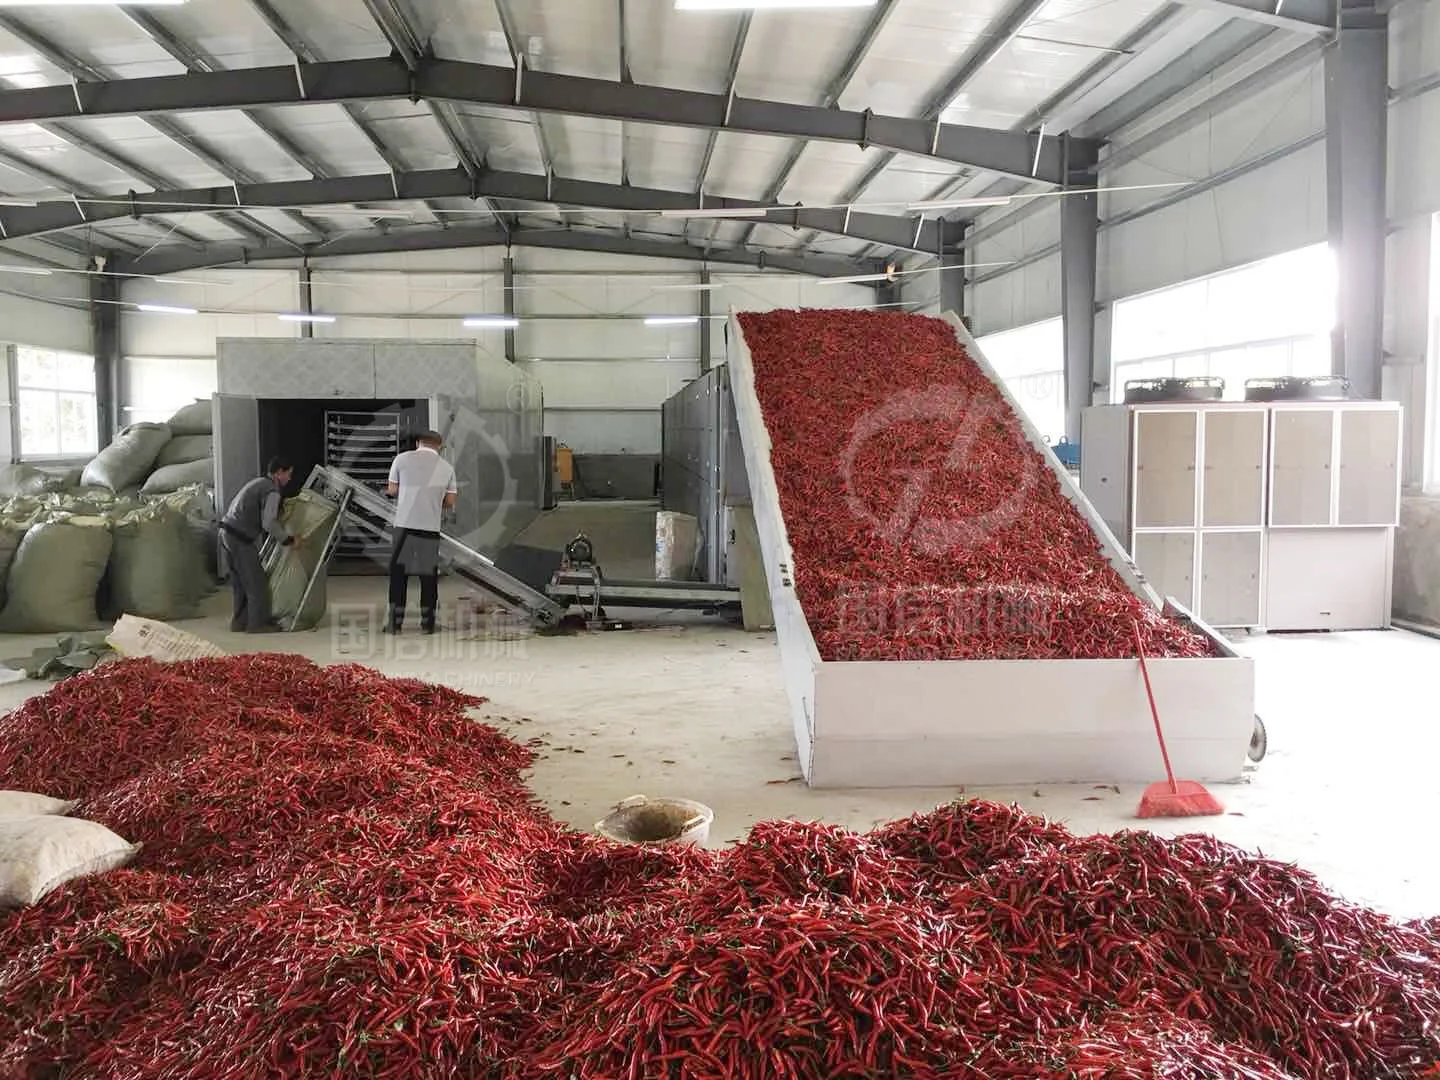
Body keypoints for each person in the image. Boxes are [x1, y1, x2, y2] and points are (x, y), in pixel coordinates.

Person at [386, 429, 458, 634]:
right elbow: (451, 500)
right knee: (428, 578)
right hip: (429, 529)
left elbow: (392, 490)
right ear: (439, 446)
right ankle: (427, 625)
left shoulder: (401, 459)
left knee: (399, 576)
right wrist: (433, 501)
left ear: (418, 443)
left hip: (404, 527)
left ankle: (394, 624)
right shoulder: (446, 467)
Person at [219, 457, 294, 633]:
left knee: (240, 583)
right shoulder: (272, 490)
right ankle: (257, 624)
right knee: (257, 582)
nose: (289, 479)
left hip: (225, 533)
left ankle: (239, 622)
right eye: (288, 474)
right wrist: (287, 539)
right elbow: (269, 522)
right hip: (239, 538)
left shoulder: (258, 482)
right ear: (278, 473)